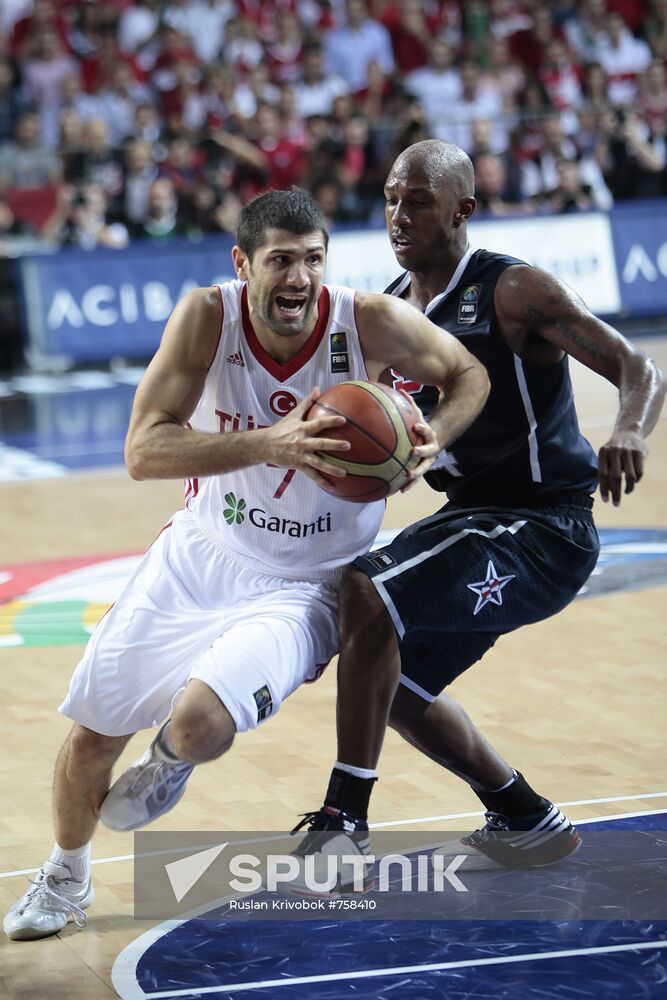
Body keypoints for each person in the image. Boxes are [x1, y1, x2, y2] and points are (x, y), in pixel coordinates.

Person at [4, 187, 489, 940]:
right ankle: (65, 878)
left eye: (312, 261)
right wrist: (270, 441)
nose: (298, 277)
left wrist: (432, 439)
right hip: (203, 552)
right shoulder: (207, 316)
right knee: (93, 737)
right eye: (280, 262)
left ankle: (170, 762)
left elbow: (469, 375)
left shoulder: (367, 321)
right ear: (243, 264)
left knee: (199, 726)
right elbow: (141, 451)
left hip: (310, 583)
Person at [291, 139, 665, 886]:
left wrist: (627, 427)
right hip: (473, 519)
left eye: (418, 201)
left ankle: (343, 820)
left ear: (462, 209)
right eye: (392, 198)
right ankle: (524, 816)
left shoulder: (512, 290)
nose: (398, 215)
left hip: (544, 525)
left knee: (368, 590)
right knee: (390, 685)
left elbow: (636, 365)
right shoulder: (393, 311)